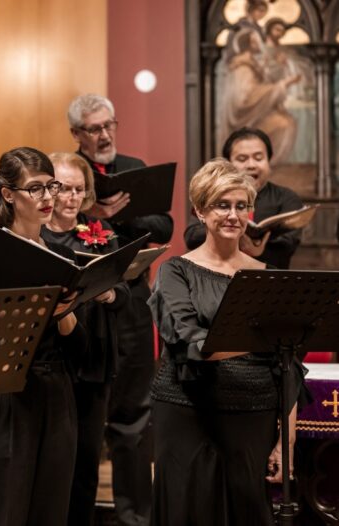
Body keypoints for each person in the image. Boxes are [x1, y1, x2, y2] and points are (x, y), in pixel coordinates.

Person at [148, 158, 303, 525]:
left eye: (240, 206)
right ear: (200, 210)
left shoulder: (270, 276)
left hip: (255, 414)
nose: (233, 215)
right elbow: (188, 341)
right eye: (221, 205)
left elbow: (289, 365)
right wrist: (259, 341)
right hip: (188, 412)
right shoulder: (175, 271)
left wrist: (288, 441)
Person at [0, 146, 86, 526]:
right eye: (35, 189)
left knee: (50, 507)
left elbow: (80, 349)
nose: (48, 198)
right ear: (7, 194)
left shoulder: (60, 253)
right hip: (6, 392)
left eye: (51, 186)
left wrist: (65, 311)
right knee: (4, 507)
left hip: (55, 391)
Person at [68, 93, 173, 525]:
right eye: (94, 128)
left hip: (130, 304)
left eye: (110, 124)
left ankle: (135, 518)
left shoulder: (133, 168)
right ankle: (76, 515)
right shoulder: (66, 174)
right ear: (76, 134)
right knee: (84, 420)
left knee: (133, 416)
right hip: (82, 308)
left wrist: (116, 217)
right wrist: (88, 209)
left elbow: (163, 225)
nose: (105, 134)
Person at [41, 152, 130, 525]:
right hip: (52, 360)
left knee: (86, 461)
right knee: (52, 462)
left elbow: (125, 293)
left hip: (94, 359)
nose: (72, 197)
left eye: (79, 189)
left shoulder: (101, 235)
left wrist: (110, 292)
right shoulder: (37, 235)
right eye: (63, 188)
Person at [184, 127, 303, 269]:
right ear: (228, 164)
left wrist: (259, 250)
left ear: (269, 161)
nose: (251, 165)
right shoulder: (213, 195)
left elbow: (288, 245)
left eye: (258, 158)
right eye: (242, 159)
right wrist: (233, 235)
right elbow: (192, 237)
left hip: (270, 278)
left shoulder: (287, 198)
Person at [219, 28, 300, 164]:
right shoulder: (243, 67)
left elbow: (262, 82)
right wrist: (282, 85)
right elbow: (245, 99)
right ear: (248, 44)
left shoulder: (252, 63)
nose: (259, 43)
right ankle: (265, 164)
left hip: (254, 114)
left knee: (287, 120)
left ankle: (268, 166)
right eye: (255, 40)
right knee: (285, 124)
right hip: (244, 119)